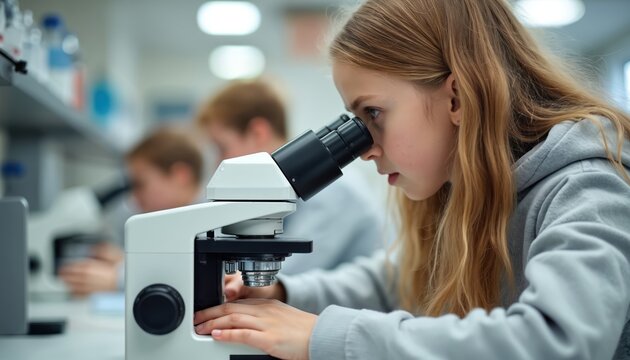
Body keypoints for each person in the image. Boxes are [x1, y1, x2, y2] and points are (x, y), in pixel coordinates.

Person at [193, 0, 630, 359]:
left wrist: (322, 337)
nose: (364, 148)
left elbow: (557, 341)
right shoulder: (458, 193)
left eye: (374, 114)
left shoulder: (588, 188)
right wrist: (283, 292)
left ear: (455, 97)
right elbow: (396, 281)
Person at [196, 79, 384, 275]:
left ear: (257, 133)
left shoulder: (337, 191)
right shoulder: (276, 191)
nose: (218, 161)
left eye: (221, 147)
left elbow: (284, 276)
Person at [59, 127, 204, 295]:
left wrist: (120, 279)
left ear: (180, 175)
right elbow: (174, 265)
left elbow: (198, 276)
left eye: (140, 184)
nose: (133, 198)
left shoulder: (212, 224)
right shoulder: (177, 222)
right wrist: (128, 262)